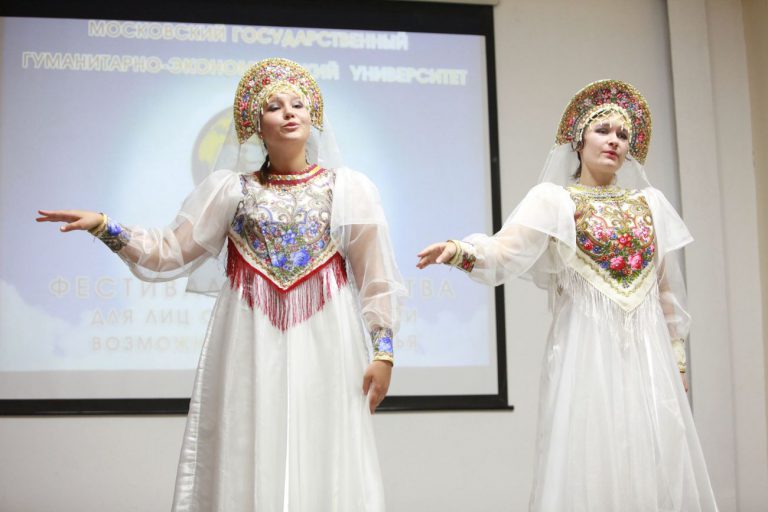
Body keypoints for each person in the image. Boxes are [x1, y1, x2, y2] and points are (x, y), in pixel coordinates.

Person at [37, 58, 405, 512]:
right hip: (250, 335)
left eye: (297, 104)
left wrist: (383, 352)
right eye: (274, 106)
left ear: (313, 118)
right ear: (255, 125)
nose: (288, 112)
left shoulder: (349, 189)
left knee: (325, 443)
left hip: (327, 335)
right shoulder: (231, 190)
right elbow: (169, 251)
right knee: (248, 440)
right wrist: (104, 226)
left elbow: (375, 276)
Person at [417, 80, 718, 511]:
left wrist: (678, 360)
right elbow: (506, 251)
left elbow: (666, 289)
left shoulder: (650, 204)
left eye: (623, 134)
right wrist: (460, 250)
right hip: (586, 352)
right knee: (590, 458)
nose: (614, 140)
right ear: (578, 139)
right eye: (603, 130)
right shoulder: (554, 201)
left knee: (650, 460)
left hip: (647, 358)